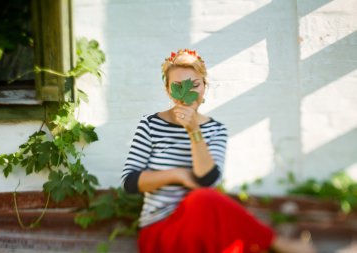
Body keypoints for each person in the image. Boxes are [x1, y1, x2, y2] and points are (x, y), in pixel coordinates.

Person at [121, 49, 317, 253]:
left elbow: (207, 180)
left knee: (203, 200)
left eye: (194, 85)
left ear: (205, 86)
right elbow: (130, 182)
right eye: (178, 86)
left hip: (203, 228)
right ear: (167, 89)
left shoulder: (216, 130)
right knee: (203, 200)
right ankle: (279, 244)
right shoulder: (150, 124)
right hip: (160, 231)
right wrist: (178, 175)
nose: (187, 94)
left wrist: (193, 130)